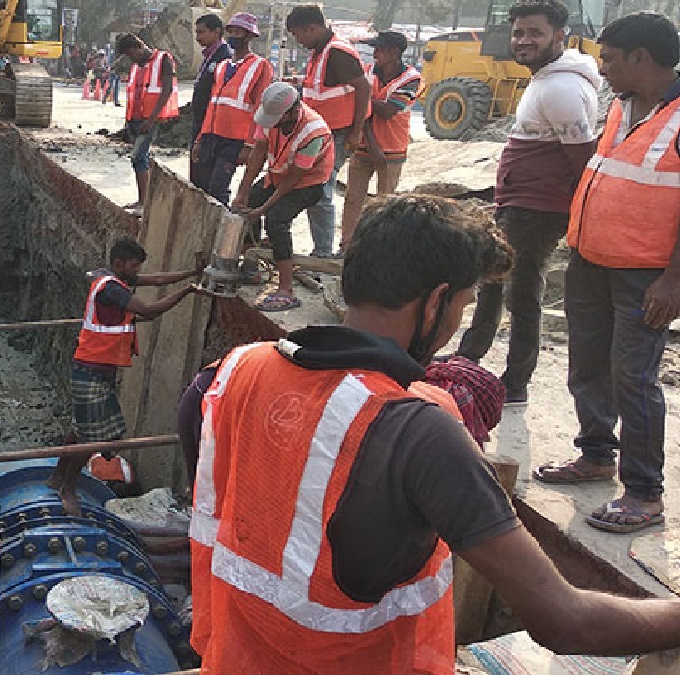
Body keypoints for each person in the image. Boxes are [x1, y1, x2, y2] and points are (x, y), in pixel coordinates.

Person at [189, 193, 680, 673]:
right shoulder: (418, 431)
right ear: (436, 302)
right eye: (461, 308)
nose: (451, 330)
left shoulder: (229, 373)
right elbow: (567, 623)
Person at [534, 12, 680, 534]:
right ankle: (595, 454)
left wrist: (673, 281)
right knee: (588, 363)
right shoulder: (620, 104)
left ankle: (643, 493)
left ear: (642, 58)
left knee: (633, 378)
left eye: (612, 60)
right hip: (590, 261)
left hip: (645, 277)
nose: (603, 69)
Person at [456, 0, 600, 407]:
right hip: (524, 203)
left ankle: (512, 381)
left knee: (516, 292)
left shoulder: (561, 89)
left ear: (560, 36)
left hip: (536, 210)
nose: (523, 41)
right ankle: (475, 359)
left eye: (534, 33)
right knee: (497, 285)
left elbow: (581, 161)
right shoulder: (550, 78)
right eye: (519, 32)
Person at [46, 238, 206, 516]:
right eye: (133, 267)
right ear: (119, 264)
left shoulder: (111, 278)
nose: (136, 272)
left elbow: (155, 279)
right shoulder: (112, 289)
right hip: (92, 369)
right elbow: (150, 311)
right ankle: (67, 489)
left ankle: (58, 478)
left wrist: (191, 273)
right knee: (95, 437)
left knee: (81, 428)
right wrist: (188, 291)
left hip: (96, 368)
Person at [230, 83, 332, 313]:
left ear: (292, 112)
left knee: (276, 219)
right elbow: (258, 152)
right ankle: (251, 267)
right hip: (278, 176)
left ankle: (285, 288)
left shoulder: (313, 132)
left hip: (307, 183)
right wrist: (243, 190)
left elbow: (293, 180)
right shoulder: (270, 119)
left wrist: (264, 209)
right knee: (247, 205)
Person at [286, 5, 371, 258]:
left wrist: (356, 132)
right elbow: (324, 87)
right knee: (314, 188)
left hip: (338, 133)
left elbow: (363, 88)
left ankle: (323, 252)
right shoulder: (321, 52)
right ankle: (320, 249)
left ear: (311, 28)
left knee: (321, 190)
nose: (298, 41)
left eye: (298, 35)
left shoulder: (337, 52)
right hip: (322, 133)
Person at [339, 30, 421, 249]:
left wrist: (364, 98)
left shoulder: (412, 79)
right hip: (367, 146)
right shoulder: (368, 72)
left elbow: (388, 111)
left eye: (380, 49)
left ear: (394, 52)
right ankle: (347, 245)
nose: (375, 53)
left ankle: (378, 248)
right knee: (353, 199)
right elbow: (364, 108)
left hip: (392, 149)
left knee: (385, 203)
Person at [191, 13, 274, 205]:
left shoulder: (260, 66)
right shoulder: (222, 67)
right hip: (211, 135)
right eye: (232, 31)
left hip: (235, 140)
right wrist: (199, 138)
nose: (234, 35)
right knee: (202, 187)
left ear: (249, 36)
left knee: (218, 189)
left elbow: (259, 108)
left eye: (239, 32)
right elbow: (213, 105)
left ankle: (219, 230)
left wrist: (249, 145)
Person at [117, 34, 179, 215]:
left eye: (131, 54)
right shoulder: (137, 66)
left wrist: (151, 119)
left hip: (149, 120)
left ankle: (144, 203)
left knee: (138, 157)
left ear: (139, 46)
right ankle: (143, 199)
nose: (131, 58)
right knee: (140, 160)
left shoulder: (163, 59)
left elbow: (166, 90)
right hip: (135, 119)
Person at [190, 13, 232, 181]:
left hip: (211, 125)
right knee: (196, 168)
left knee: (204, 170)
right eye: (196, 33)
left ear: (216, 32)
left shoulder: (224, 56)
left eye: (201, 32)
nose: (197, 37)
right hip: (200, 121)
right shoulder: (209, 55)